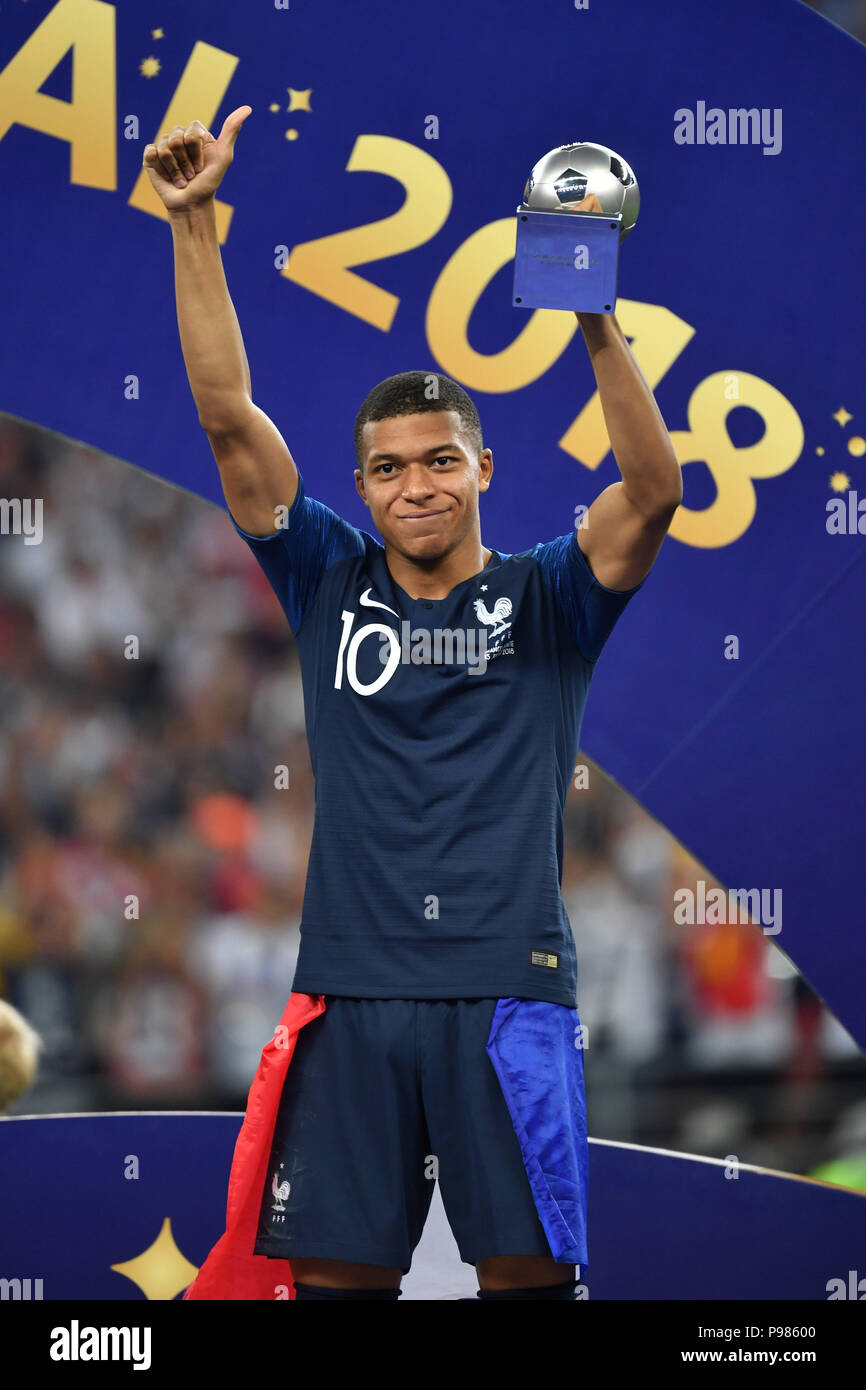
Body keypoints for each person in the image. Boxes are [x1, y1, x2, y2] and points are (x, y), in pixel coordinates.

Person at [143, 108, 682, 1301]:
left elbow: (653, 488)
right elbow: (229, 416)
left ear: (483, 469)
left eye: (440, 458)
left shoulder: (550, 594)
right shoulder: (324, 575)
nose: (415, 484)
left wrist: (591, 317)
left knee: (528, 1291)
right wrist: (193, 225)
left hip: (509, 993)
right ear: (361, 487)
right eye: (388, 467)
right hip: (346, 992)